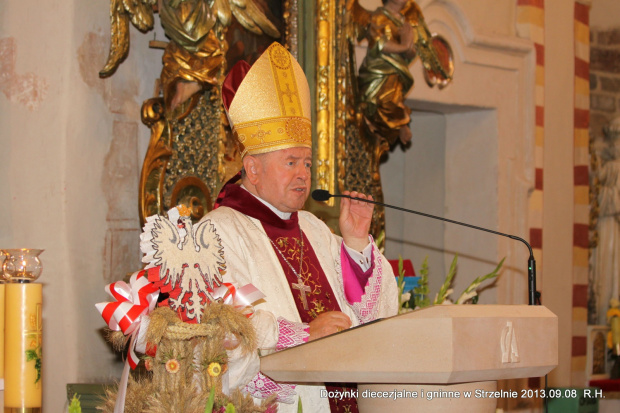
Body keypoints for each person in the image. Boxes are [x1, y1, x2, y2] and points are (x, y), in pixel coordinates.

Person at [200, 42, 399, 412]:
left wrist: (356, 246)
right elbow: (220, 326)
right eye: (291, 162)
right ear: (253, 169)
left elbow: (371, 318)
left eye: (307, 163)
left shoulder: (313, 227)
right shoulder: (218, 232)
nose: (303, 174)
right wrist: (305, 335)